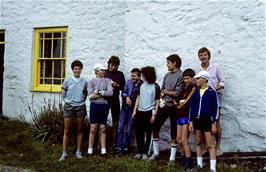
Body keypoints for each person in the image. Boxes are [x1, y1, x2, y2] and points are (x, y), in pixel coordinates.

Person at [149, 54, 184, 165]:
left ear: (174, 63)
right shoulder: (167, 75)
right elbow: (162, 89)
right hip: (164, 106)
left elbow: (177, 93)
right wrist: (161, 98)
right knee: (155, 127)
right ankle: (156, 153)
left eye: (168, 62)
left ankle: (172, 159)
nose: (167, 65)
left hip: (175, 107)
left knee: (174, 132)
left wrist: (166, 92)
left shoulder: (181, 75)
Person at [197, 47, 225, 155]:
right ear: (199, 57)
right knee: (203, 123)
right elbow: (197, 83)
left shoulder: (215, 67)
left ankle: (217, 147)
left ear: (208, 56)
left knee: (216, 123)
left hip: (214, 100)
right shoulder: (198, 69)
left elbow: (222, 82)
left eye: (205, 54)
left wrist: (212, 91)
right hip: (202, 102)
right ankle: (205, 147)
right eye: (201, 55)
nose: (203, 57)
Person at [189, 71, 218, 172]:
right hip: (197, 120)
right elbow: (192, 108)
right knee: (198, 142)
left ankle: (213, 168)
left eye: (198, 78)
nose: (196, 80)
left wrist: (214, 122)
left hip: (207, 120)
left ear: (205, 79)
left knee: (210, 144)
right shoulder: (195, 92)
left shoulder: (211, 92)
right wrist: (190, 122)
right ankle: (199, 165)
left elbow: (215, 108)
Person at [59, 60, 88, 161]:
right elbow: (63, 92)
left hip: (80, 107)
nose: (77, 71)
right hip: (69, 107)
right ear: (72, 69)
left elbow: (85, 93)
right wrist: (68, 101)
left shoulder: (84, 81)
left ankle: (78, 151)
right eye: (76, 69)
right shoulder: (67, 80)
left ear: (81, 70)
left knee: (80, 129)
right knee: (67, 130)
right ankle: (64, 152)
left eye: (79, 69)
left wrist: (80, 101)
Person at [132, 66, 160, 160]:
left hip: (149, 112)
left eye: (144, 74)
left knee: (148, 134)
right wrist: (135, 110)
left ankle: (145, 153)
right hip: (139, 111)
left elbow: (157, 101)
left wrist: (154, 115)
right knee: (139, 133)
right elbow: (138, 98)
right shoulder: (141, 85)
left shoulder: (156, 86)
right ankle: (140, 152)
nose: (142, 76)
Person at [87, 63, 113, 156]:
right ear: (97, 71)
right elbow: (90, 97)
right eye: (102, 70)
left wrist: (98, 92)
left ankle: (103, 150)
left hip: (104, 106)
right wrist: (103, 94)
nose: (104, 71)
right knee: (93, 128)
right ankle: (90, 150)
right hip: (94, 106)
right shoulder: (91, 82)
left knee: (102, 128)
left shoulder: (107, 80)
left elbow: (110, 93)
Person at [116, 68, 143, 155]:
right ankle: (119, 147)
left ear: (139, 76)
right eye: (132, 76)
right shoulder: (128, 82)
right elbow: (123, 92)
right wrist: (127, 97)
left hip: (133, 109)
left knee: (129, 129)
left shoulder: (142, 85)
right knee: (120, 128)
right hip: (124, 108)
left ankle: (126, 148)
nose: (132, 77)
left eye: (134, 76)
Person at [176, 68, 197, 170]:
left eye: (188, 78)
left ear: (193, 78)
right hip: (180, 115)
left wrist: (179, 104)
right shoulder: (184, 87)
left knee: (184, 140)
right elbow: (178, 98)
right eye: (184, 79)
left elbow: (188, 102)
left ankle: (189, 162)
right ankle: (183, 159)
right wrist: (177, 103)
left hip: (187, 116)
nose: (186, 80)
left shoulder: (194, 88)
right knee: (179, 140)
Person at [104, 56, 126, 149]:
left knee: (115, 123)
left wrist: (116, 85)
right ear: (109, 64)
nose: (113, 67)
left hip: (115, 100)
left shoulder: (120, 74)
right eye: (112, 65)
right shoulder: (104, 73)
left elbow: (124, 88)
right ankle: (101, 144)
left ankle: (114, 144)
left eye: (116, 66)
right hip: (105, 100)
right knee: (102, 122)